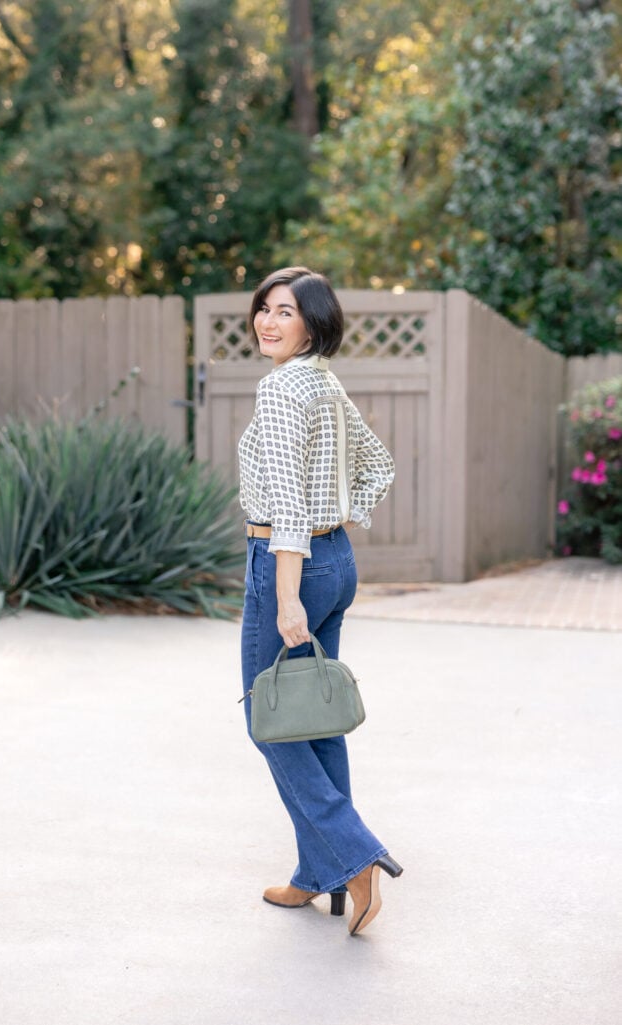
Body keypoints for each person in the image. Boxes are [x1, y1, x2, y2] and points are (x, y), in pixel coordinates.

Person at [238, 266, 404, 937]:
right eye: (264, 309)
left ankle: (354, 854)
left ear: (313, 324)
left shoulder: (281, 390)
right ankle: (320, 873)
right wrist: (341, 519)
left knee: (267, 716)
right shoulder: (324, 384)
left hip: (291, 567)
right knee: (316, 718)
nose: (268, 322)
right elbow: (379, 466)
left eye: (285, 312)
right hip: (333, 561)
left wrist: (284, 598)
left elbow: (283, 506)